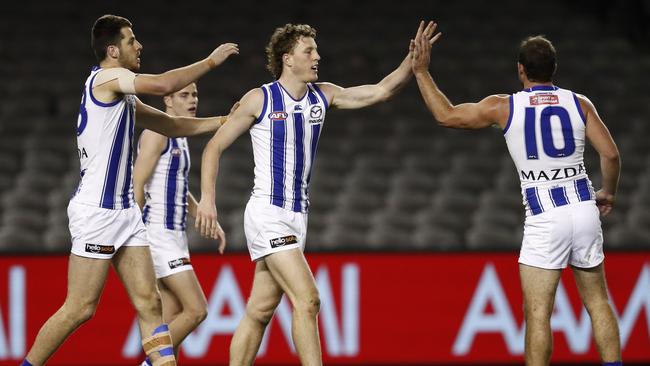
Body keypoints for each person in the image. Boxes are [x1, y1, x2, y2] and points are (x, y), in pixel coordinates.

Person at [195, 23, 436, 365]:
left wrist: (412, 61)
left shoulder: (323, 95)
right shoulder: (259, 99)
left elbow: (380, 91)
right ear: (287, 59)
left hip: (297, 219)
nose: (317, 56)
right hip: (267, 213)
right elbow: (213, 148)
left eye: (316, 50)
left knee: (260, 310)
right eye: (309, 51)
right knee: (308, 300)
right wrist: (207, 200)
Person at [20, 14, 238, 366]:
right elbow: (165, 85)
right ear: (113, 50)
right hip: (98, 211)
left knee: (150, 303)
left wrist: (225, 121)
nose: (139, 46)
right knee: (80, 309)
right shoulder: (106, 79)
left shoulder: (124, 97)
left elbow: (171, 124)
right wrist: (211, 62)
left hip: (127, 213)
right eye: (131, 40)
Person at [411, 21, 622, 366]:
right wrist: (608, 193)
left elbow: (446, 116)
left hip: (545, 216)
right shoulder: (579, 102)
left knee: (538, 314)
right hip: (584, 207)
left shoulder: (504, 106)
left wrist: (421, 71)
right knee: (598, 302)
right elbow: (610, 154)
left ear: (520, 70)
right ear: (554, 69)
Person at [133, 82, 226, 365]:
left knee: (172, 318)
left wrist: (202, 213)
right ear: (167, 100)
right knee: (197, 310)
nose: (192, 100)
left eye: (195, 94)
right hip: (157, 235)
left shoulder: (179, 135)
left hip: (175, 236)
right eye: (184, 95)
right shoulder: (156, 134)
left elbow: (175, 185)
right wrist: (133, 240)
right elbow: (137, 184)